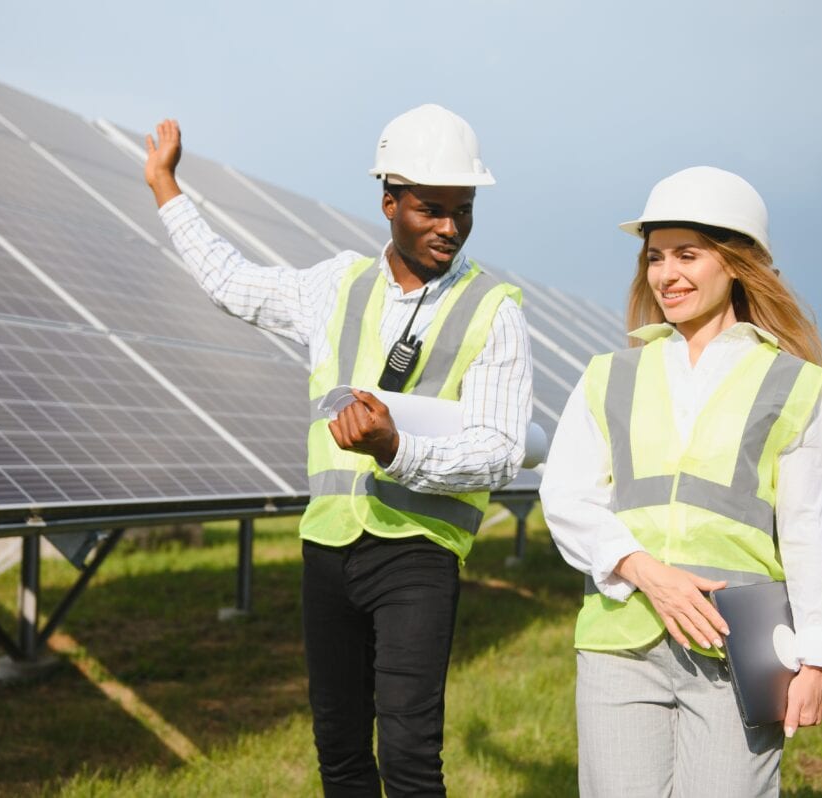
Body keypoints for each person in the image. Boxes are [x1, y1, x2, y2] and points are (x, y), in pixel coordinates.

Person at [144, 105, 532, 796]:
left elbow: (502, 451)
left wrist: (399, 449)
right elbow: (232, 284)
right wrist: (165, 190)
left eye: (463, 210)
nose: (450, 227)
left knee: (410, 758)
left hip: (419, 551)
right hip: (327, 549)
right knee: (340, 754)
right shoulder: (335, 285)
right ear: (389, 201)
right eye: (430, 209)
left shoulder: (494, 309)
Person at [539, 166, 822, 797]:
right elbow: (567, 495)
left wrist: (819, 656)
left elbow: (818, 532)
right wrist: (645, 571)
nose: (667, 274)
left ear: (738, 265)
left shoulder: (797, 389)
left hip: (738, 649)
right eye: (656, 257)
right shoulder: (610, 375)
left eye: (688, 255)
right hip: (621, 638)